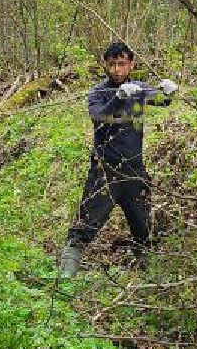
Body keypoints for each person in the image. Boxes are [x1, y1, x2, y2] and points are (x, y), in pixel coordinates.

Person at [57, 42, 177, 276]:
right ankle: (64, 279)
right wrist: (118, 98)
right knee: (84, 227)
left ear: (131, 64)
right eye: (111, 64)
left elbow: (161, 100)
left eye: (121, 64)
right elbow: (99, 117)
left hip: (134, 171)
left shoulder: (139, 88)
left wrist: (169, 92)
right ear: (105, 65)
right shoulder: (98, 93)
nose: (116, 69)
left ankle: (150, 279)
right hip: (105, 173)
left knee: (143, 229)